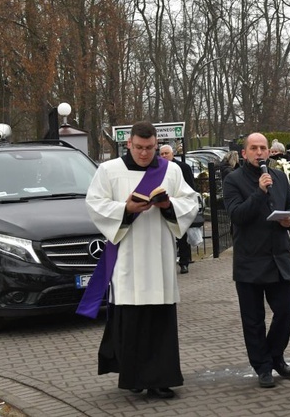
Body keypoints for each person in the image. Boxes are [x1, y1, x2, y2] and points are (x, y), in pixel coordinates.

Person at [81, 121, 198, 399]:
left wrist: (169, 205)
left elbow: (190, 201)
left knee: (161, 320)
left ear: (156, 144)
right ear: (129, 144)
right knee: (132, 320)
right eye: (139, 148)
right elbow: (94, 203)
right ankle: (134, 378)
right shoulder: (109, 170)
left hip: (159, 254)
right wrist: (126, 208)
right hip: (128, 257)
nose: (144, 154)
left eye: (149, 148)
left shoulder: (170, 170)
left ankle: (162, 378)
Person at [222, 133, 290, 388]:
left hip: (278, 257)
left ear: (269, 152)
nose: (259, 152)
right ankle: (263, 367)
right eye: (253, 148)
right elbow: (237, 215)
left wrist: (289, 221)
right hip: (250, 260)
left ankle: (274, 355)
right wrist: (258, 192)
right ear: (244, 153)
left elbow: (289, 207)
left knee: (287, 310)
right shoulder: (233, 180)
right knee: (253, 319)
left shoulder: (279, 177)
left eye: (263, 148)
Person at [160, 145, 197, 274]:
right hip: (162, 205)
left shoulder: (183, 167)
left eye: (166, 153)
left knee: (181, 234)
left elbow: (190, 186)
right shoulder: (157, 169)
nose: (164, 156)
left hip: (178, 205)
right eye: (162, 154)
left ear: (172, 154)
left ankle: (184, 262)